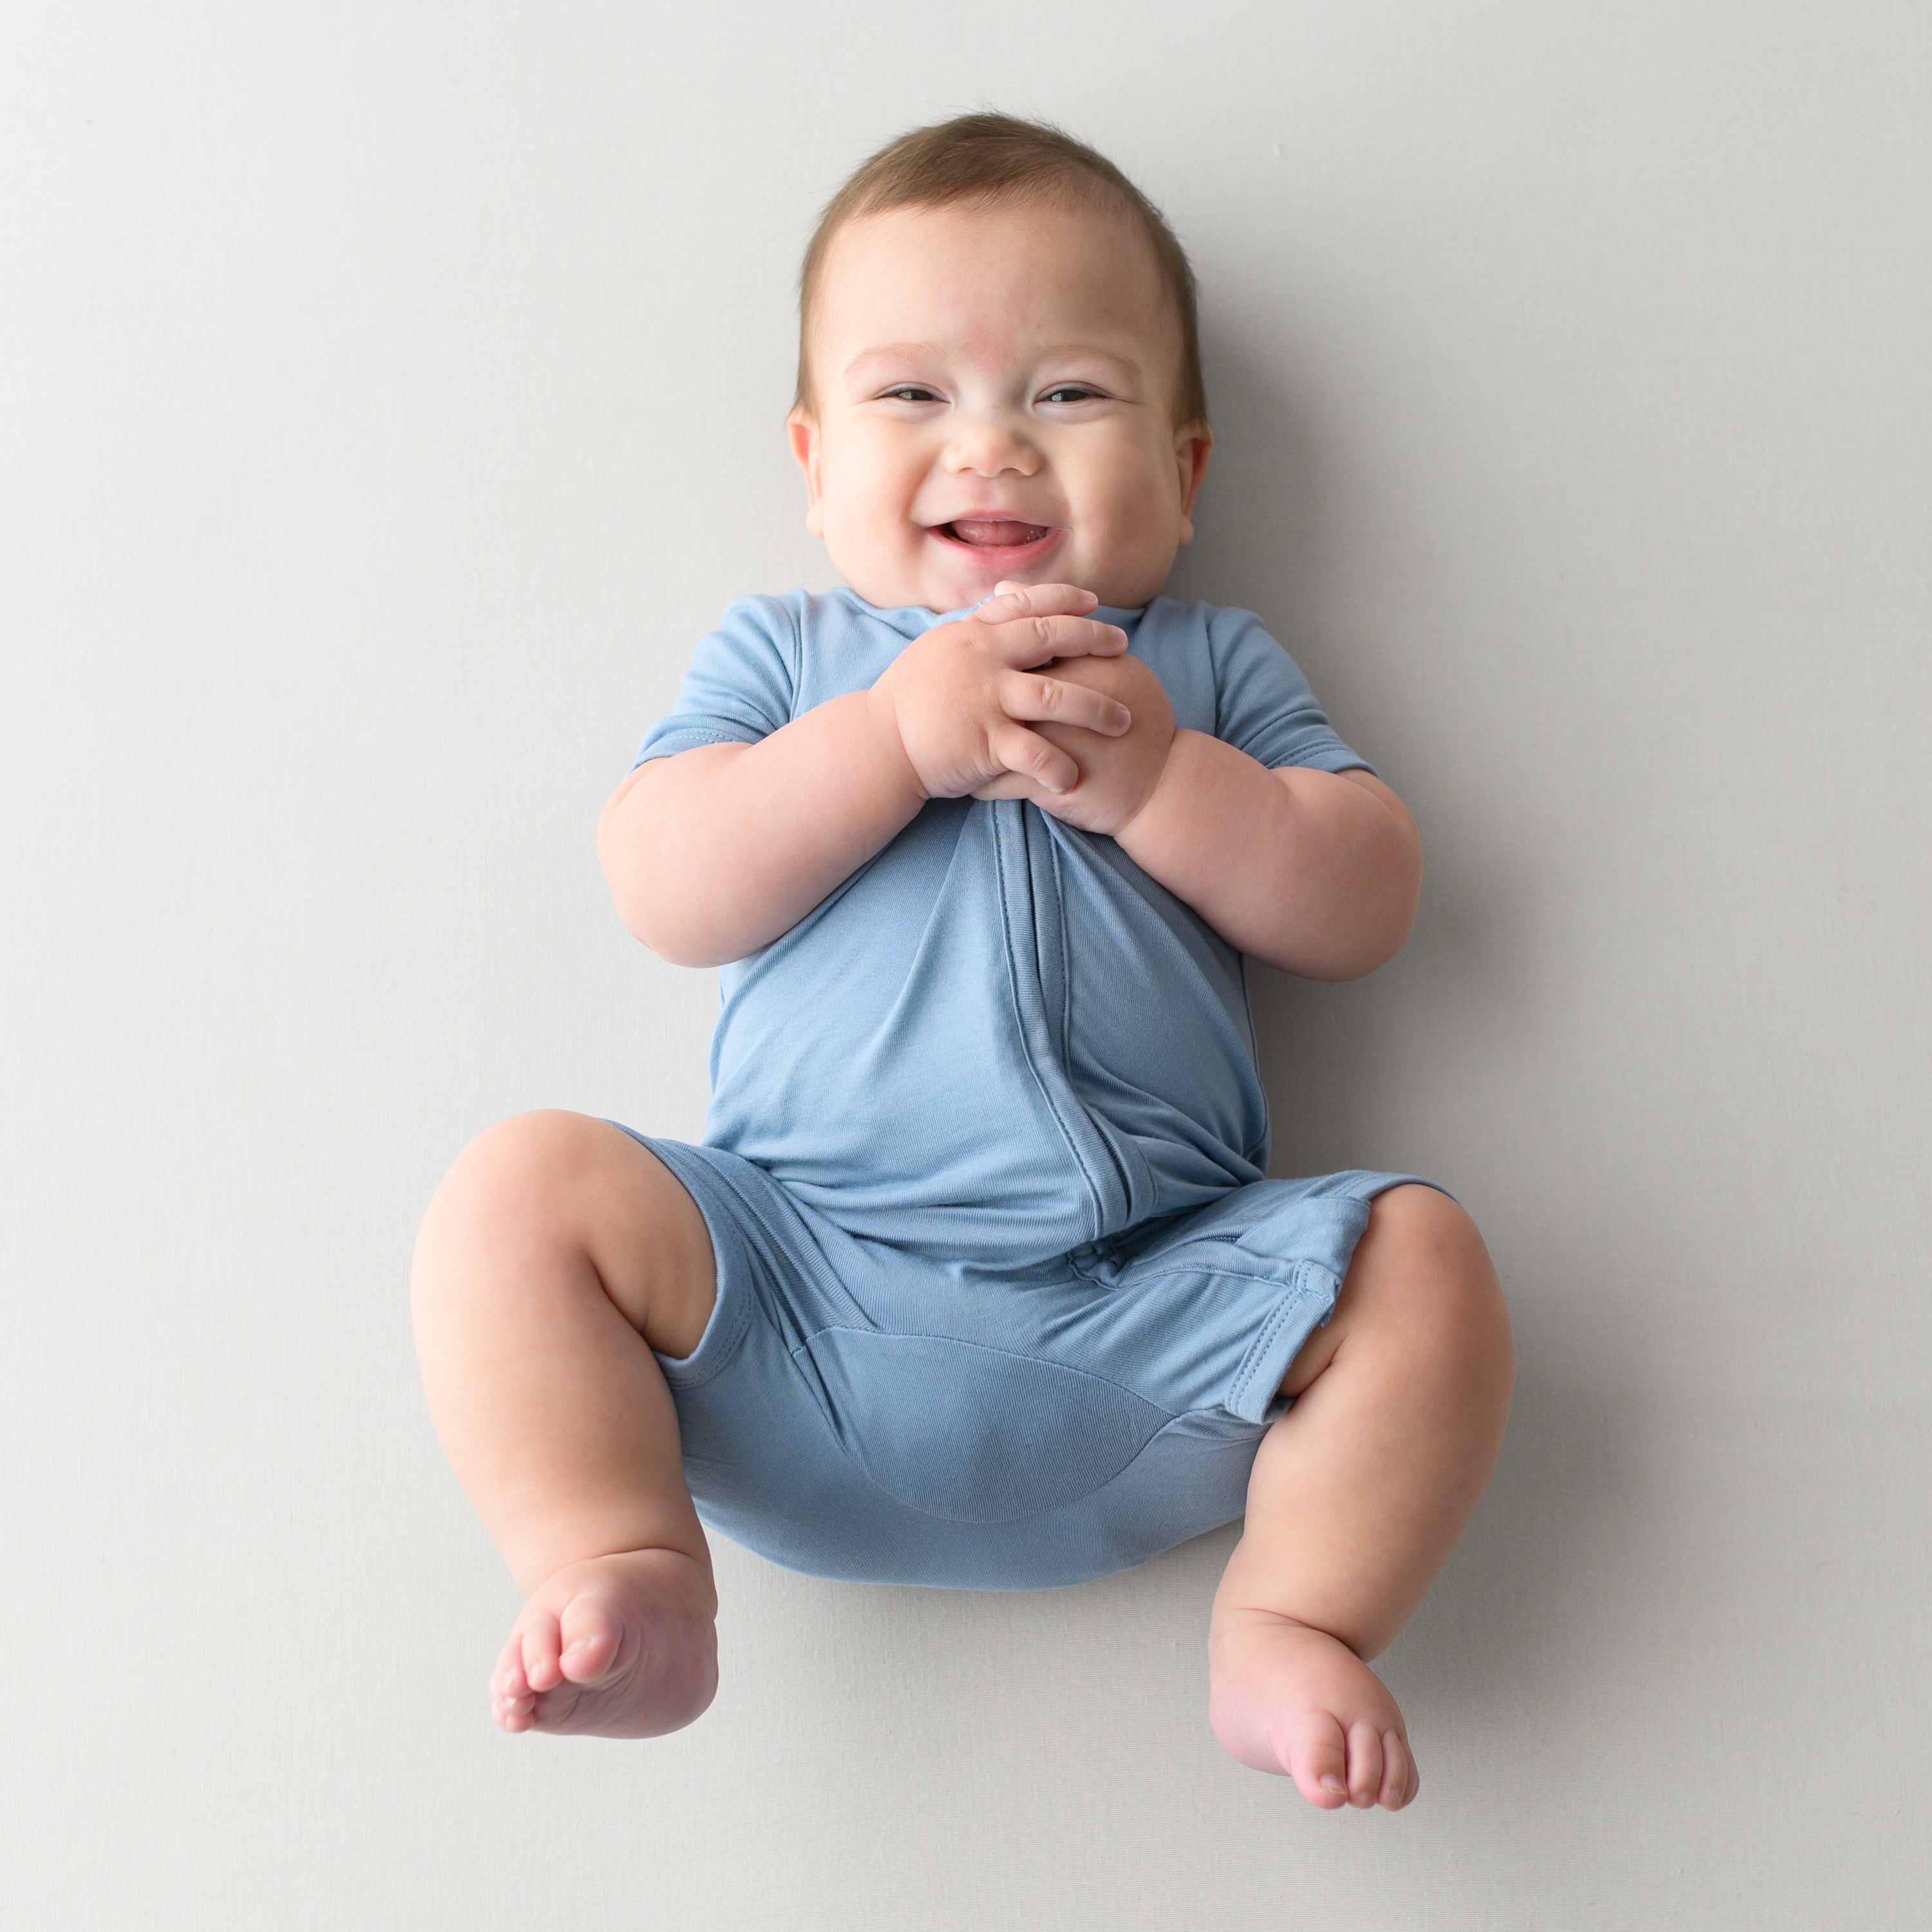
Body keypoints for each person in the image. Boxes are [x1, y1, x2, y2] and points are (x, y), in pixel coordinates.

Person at [410, 113, 1514, 1812]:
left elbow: (1365, 899)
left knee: (1423, 1261)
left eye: (1068, 394)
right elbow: (664, 879)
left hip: (1151, 1315)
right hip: (802, 1304)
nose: (992, 451)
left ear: (1188, 465)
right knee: (516, 1193)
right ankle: (621, 1560)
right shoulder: (788, 657)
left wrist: (1161, 781)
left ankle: (1290, 1615)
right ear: (811, 460)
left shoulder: (1204, 671)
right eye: (911, 397)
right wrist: (884, 745)